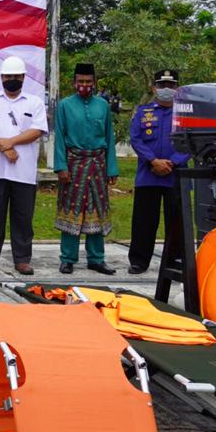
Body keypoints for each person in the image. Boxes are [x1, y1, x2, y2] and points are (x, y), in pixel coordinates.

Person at [0, 56, 47, 275]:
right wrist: (4, 148)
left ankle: (22, 259)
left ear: (23, 77)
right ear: (1, 77)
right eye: (8, 76)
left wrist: (11, 142)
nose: (11, 80)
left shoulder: (34, 102)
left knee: (23, 217)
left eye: (16, 76)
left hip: (23, 171)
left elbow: (37, 130)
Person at [53, 63, 118, 275]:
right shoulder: (64, 105)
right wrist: (61, 167)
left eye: (88, 82)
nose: (84, 85)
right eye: (80, 81)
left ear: (94, 83)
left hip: (98, 164)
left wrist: (112, 168)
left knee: (97, 210)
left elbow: (109, 137)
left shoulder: (103, 106)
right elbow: (59, 138)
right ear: (74, 83)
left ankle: (96, 259)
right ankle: (68, 258)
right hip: (73, 164)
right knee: (72, 209)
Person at [128, 70, 189, 274]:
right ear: (154, 88)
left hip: (175, 175)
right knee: (144, 221)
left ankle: (176, 259)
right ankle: (139, 261)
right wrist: (153, 161)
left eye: (171, 86)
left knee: (177, 220)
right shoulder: (143, 112)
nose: (166, 89)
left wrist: (171, 163)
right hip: (148, 174)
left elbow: (190, 141)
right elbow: (135, 138)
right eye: (162, 85)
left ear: (177, 89)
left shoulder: (186, 113)